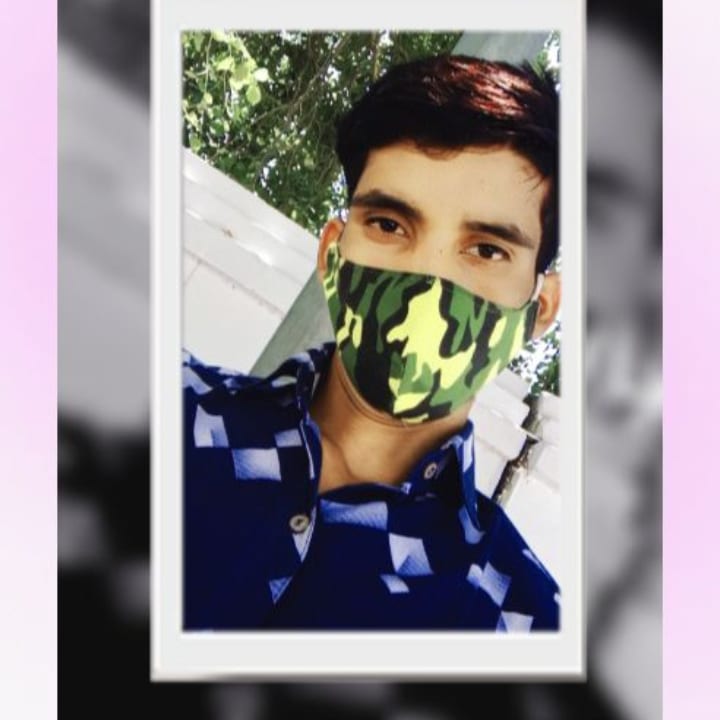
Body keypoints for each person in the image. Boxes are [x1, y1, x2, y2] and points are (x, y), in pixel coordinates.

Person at [183, 54, 562, 630]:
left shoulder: (524, 628)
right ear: (331, 255)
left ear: (540, 310)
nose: (427, 279)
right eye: (389, 225)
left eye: (487, 250)